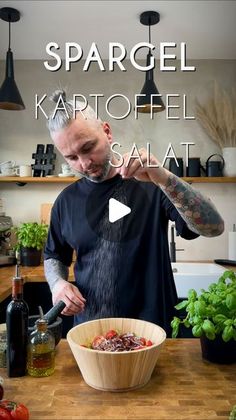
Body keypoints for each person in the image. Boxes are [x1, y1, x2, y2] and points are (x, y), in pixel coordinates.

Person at [44, 90, 224, 336]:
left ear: (107, 132)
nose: (84, 163)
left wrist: (163, 177)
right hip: (91, 335)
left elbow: (214, 227)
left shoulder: (152, 183)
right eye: (72, 157)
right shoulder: (66, 201)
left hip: (153, 334)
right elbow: (54, 255)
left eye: (88, 148)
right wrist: (58, 283)